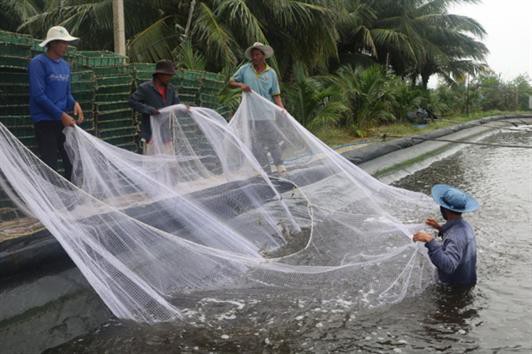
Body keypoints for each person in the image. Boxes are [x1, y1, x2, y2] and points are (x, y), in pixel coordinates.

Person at [29, 25, 84, 181]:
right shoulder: (38, 63)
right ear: (52, 43)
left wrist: (75, 103)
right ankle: (52, 202)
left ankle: (70, 197)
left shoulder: (65, 66)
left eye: (67, 43)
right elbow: (38, 95)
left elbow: (66, 93)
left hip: (62, 121)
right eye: (63, 42)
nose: (66, 46)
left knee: (71, 161)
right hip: (44, 122)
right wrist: (60, 115)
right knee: (50, 165)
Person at [229, 42, 286, 175]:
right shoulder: (245, 69)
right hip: (250, 115)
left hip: (267, 114)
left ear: (263, 56)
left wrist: (282, 109)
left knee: (272, 140)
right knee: (255, 144)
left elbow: (276, 95)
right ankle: (264, 168)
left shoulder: (271, 73)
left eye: (257, 55)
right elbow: (230, 82)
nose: (254, 57)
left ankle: (279, 165)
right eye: (252, 55)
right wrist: (240, 85)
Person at [413, 184, 480, 287]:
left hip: (455, 286)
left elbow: (448, 266)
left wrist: (430, 240)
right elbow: (457, 239)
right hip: (467, 278)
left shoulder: (455, 236)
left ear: (444, 209)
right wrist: (440, 228)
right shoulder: (465, 226)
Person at [129, 60, 180, 155]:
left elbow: (176, 104)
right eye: (168, 75)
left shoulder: (171, 89)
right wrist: (149, 110)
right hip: (151, 134)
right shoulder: (145, 88)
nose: (170, 78)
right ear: (160, 75)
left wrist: (185, 107)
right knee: (153, 164)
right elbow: (132, 101)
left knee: (170, 165)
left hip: (166, 135)